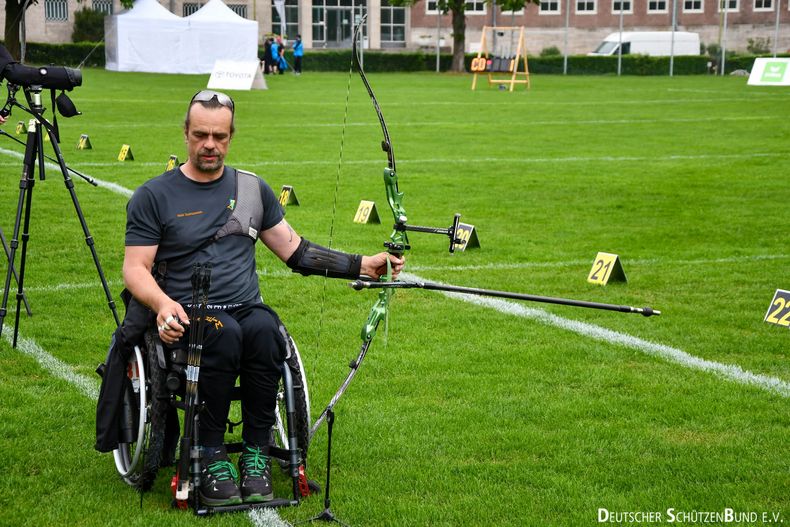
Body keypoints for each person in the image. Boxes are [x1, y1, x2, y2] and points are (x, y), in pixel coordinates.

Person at [122, 90, 404, 506]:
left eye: (219, 136)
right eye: (200, 135)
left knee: (265, 331)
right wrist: (163, 305)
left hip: (244, 308)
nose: (210, 145)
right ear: (185, 134)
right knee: (226, 333)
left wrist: (364, 264)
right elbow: (134, 268)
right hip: (187, 314)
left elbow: (298, 251)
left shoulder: (252, 190)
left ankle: (256, 453)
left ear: (231, 137)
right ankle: (212, 453)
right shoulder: (154, 195)